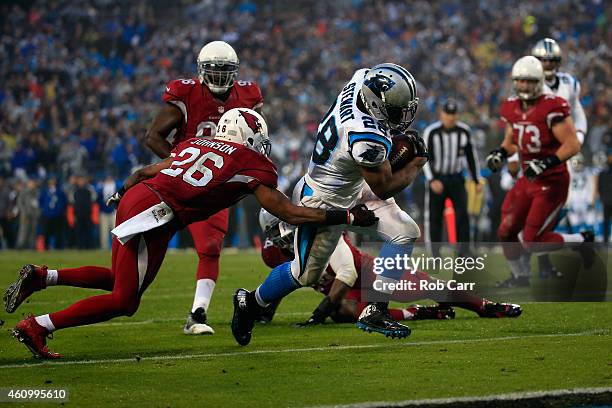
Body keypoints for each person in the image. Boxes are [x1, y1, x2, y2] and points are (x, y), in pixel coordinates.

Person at [4, 108, 377, 359]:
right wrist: (344, 213)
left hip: (145, 202)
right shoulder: (250, 161)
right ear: (246, 133)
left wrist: (123, 193)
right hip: (157, 212)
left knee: (123, 282)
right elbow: (287, 211)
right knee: (124, 300)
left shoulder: (195, 143)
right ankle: (37, 326)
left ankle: (43, 277)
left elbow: (143, 172)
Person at [231, 63, 428, 346]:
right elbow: (383, 187)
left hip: (351, 183)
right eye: (395, 110)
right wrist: (415, 165)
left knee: (405, 231)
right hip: (324, 198)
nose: (401, 116)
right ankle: (250, 302)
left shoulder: (361, 79)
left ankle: (376, 310)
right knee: (305, 273)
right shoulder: (365, 135)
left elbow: (365, 75)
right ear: (374, 103)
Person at [145, 40, 265, 335]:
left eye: (226, 70)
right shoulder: (185, 93)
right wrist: (182, 164)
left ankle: (198, 314)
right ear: (201, 70)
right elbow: (153, 137)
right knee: (142, 244)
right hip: (176, 183)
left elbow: (256, 140)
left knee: (210, 248)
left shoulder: (248, 95)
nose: (221, 75)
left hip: (214, 186)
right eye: (215, 69)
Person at [258, 209, 521, 326]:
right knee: (347, 312)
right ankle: (416, 314)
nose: (282, 235)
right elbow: (283, 281)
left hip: (367, 274)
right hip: (343, 289)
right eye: (275, 231)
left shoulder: (321, 234)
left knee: (424, 286)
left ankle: (485, 306)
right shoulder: (272, 253)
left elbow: (347, 272)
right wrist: (265, 310)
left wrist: (318, 313)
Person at [486, 56, 588, 287]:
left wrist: (547, 162)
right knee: (505, 230)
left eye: (529, 82)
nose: (524, 86)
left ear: (539, 81)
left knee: (531, 241)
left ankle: (581, 240)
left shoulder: (553, 106)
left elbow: (572, 145)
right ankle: (520, 277)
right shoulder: (511, 106)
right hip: (528, 179)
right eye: (520, 81)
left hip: (552, 181)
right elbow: (512, 141)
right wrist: (500, 154)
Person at [508, 38, 590, 277]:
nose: (547, 64)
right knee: (535, 211)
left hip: (560, 157)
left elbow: (578, 115)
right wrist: (512, 155)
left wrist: (578, 140)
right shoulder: (527, 83)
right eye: (543, 60)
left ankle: (544, 261)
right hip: (534, 156)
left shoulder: (570, 84)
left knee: (553, 209)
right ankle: (548, 258)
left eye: (551, 60)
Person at [423, 99, 481, 258]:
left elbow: (471, 156)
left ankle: (464, 252)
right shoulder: (431, 132)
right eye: (448, 114)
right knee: (435, 217)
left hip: (457, 178)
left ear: (458, 115)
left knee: (463, 215)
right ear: (441, 114)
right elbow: (424, 158)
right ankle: (435, 254)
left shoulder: (464, 131)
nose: (450, 118)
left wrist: (476, 179)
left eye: (453, 114)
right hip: (438, 179)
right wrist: (432, 179)